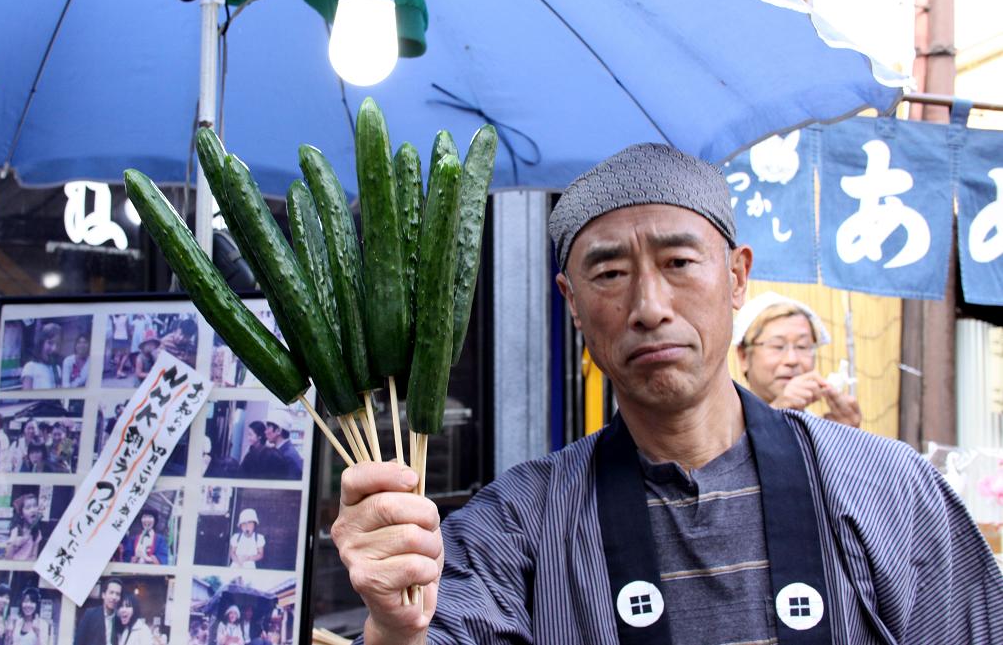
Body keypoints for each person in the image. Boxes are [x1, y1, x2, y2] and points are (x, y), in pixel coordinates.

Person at [331, 144, 1003, 645]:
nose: (650, 305)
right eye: (611, 271)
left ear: (737, 276)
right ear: (571, 302)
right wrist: (394, 622)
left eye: (679, 263)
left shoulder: (889, 489)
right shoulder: (517, 524)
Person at [733, 291, 862, 427]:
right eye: (777, 346)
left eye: (802, 346)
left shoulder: (815, 428)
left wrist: (842, 436)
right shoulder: (726, 425)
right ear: (744, 356)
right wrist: (776, 415)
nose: (792, 360)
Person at [74, 577, 123, 645]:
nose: (114, 597)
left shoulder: (119, 620)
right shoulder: (90, 614)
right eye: (111, 592)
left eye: (117, 594)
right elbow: (78, 642)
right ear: (103, 595)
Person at [260, 409, 302, 480]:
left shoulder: (289, 456)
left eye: (268, 428)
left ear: (278, 430)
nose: (265, 432)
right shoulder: (282, 451)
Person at [21, 322, 62, 390]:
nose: (54, 349)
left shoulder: (57, 368)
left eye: (57, 344)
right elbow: (26, 397)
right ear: (41, 343)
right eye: (50, 343)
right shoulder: (30, 367)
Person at [6, 492, 43, 560]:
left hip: (27, 568)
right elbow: (8, 558)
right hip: (14, 568)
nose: (33, 510)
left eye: (35, 506)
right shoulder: (16, 530)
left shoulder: (37, 532)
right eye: (28, 507)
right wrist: (14, 544)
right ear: (21, 515)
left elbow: (34, 556)